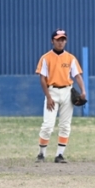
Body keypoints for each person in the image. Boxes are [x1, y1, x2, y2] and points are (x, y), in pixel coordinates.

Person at [35, 28, 86, 163]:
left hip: (67, 92)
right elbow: (42, 78)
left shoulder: (70, 58)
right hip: (52, 92)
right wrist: (48, 97)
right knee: (48, 125)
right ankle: (41, 154)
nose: (60, 42)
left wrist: (83, 91)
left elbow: (77, 76)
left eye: (63, 40)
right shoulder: (46, 58)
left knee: (65, 125)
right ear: (52, 41)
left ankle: (59, 155)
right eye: (58, 40)